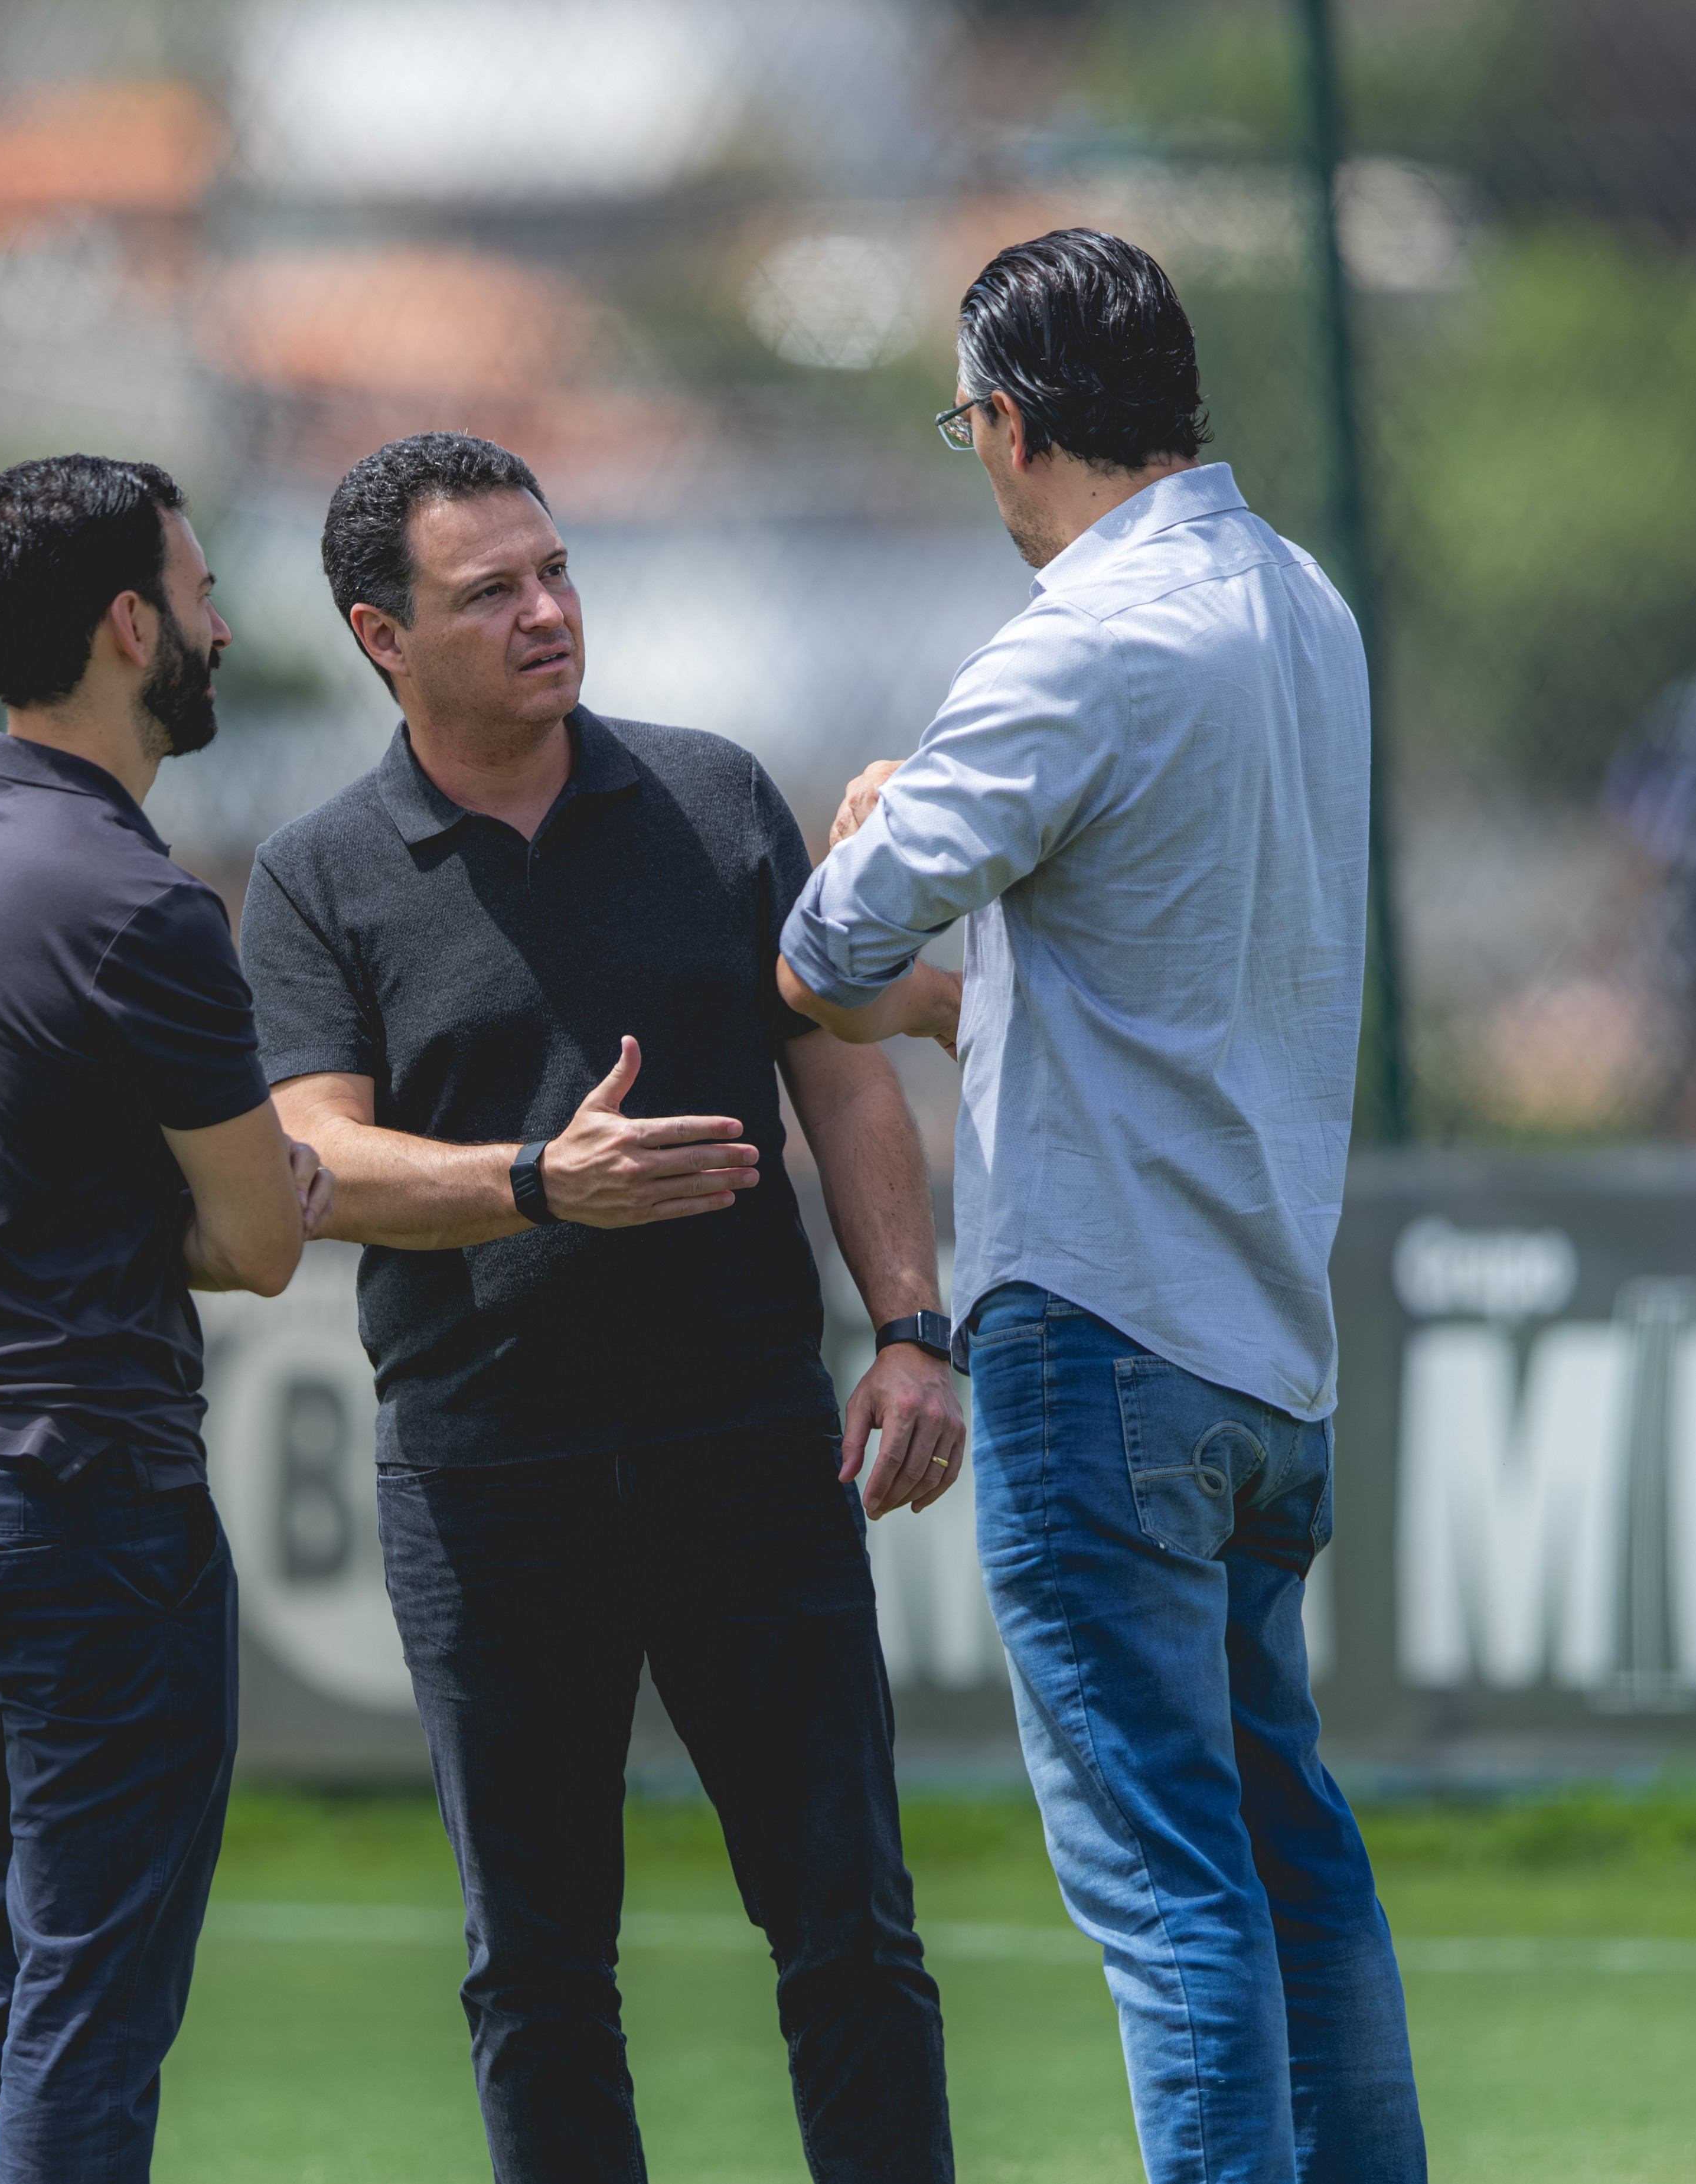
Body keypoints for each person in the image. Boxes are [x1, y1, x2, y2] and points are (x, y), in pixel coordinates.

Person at [777, 231, 1427, 2184]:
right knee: (1294, 1861)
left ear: (1010, 419)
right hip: (1263, 1335)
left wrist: (875, 824)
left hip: (1100, 1333)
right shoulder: (1303, 603)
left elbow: (832, 941)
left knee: (1168, 1893)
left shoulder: (1077, 639)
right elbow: (1149, 964)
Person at [238, 430, 960, 2184]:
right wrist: (540, 1181)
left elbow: (843, 1069)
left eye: (556, 571)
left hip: (748, 1449)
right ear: (378, 636)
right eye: (490, 592)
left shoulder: (714, 798)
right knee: (540, 1971)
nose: (548, 612)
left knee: (851, 1933)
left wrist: (915, 1326)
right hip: (490, 1481)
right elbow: (310, 1158)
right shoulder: (317, 878)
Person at [0, 454, 331, 2184]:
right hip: (78, 1503)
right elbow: (264, 1243)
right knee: (88, 2010)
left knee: (8, 1974)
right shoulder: (141, 907)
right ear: (133, 627)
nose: (217, 622)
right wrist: (254, 1193)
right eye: (197, 592)